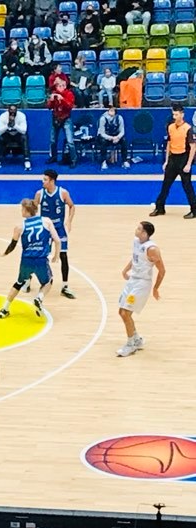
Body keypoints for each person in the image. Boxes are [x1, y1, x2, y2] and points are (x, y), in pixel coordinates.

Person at [0, 198, 61, 319]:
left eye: (22, 209)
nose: (21, 211)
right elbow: (57, 240)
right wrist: (56, 256)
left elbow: (12, 245)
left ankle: (4, 309)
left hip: (26, 260)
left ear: (26, 210)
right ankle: (39, 298)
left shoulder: (19, 227)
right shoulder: (46, 221)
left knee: (19, 283)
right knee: (48, 282)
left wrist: (4, 254)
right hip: (41, 259)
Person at [117, 221, 165, 357]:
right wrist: (125, 270)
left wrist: (156, 288)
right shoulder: (136, 241)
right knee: (121, 312)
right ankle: (136, 339)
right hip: (132, 280)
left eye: (138, 228)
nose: (136, 230)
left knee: (126, 313)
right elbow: (135, 258)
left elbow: (162, 270)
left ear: (144, 233)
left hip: (142, 284)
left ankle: (130, 345)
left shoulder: (152, 249)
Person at [34, 169, 76, 299]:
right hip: (46, 229)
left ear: (52, 181)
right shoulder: (39, 194)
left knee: (63, 255)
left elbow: (72, 206)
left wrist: (69, 221)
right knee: (38, 255)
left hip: (58, 228)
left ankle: (65, 286)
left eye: (45, 179)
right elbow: (33, 210)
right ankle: (28, 280)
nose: (43, 181)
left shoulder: (63, 193)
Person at [150, 104, 196, 219]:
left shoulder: (188, 128)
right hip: (173, 158)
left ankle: (194, 210)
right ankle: (160, 207)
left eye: (176, 114)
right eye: (173, 114)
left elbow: (193, 147)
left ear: (182, 114)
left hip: (183, 158)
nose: (174, 117)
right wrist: (166, 161)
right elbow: (169, 144)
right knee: (166, 184)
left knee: (187, 186)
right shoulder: (170, 127)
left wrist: (188, 164)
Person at [47, 80, 77, 168]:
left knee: (70, 141)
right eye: (59, 86)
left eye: (63, 85)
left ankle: (73, 160)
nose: (61, 87)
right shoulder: (54, 94)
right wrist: (51, 101)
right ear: (56, 87)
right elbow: (49, 107)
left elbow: (70, 106)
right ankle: (54, 157)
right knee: (53, 140)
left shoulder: (69, 94)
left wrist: (62, 99)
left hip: (66, 119)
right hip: (56, 119)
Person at [0, 104, 31, 171]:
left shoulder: (22, 116)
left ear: (17, 111)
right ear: (8, 110)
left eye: (14, 110)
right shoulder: (3, 116)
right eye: (11, 110)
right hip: (7, 135)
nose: (12, 112)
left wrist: (14, 125)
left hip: (18, 135)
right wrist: (7, 125)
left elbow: (24, 130)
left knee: (24, 137)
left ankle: (27, 160)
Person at [98, 105, 131, 170]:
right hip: (106, 137)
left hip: (116, 136)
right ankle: (103, 162)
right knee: (102, 142)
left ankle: (124, 161)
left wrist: (117, 137)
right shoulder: (103, 119)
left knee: (124, 140)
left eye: (113, 110)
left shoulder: (119, 118)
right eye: (110, 110)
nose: (111, 112)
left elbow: (122, 131)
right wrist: (111, 138)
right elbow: (102, 133)